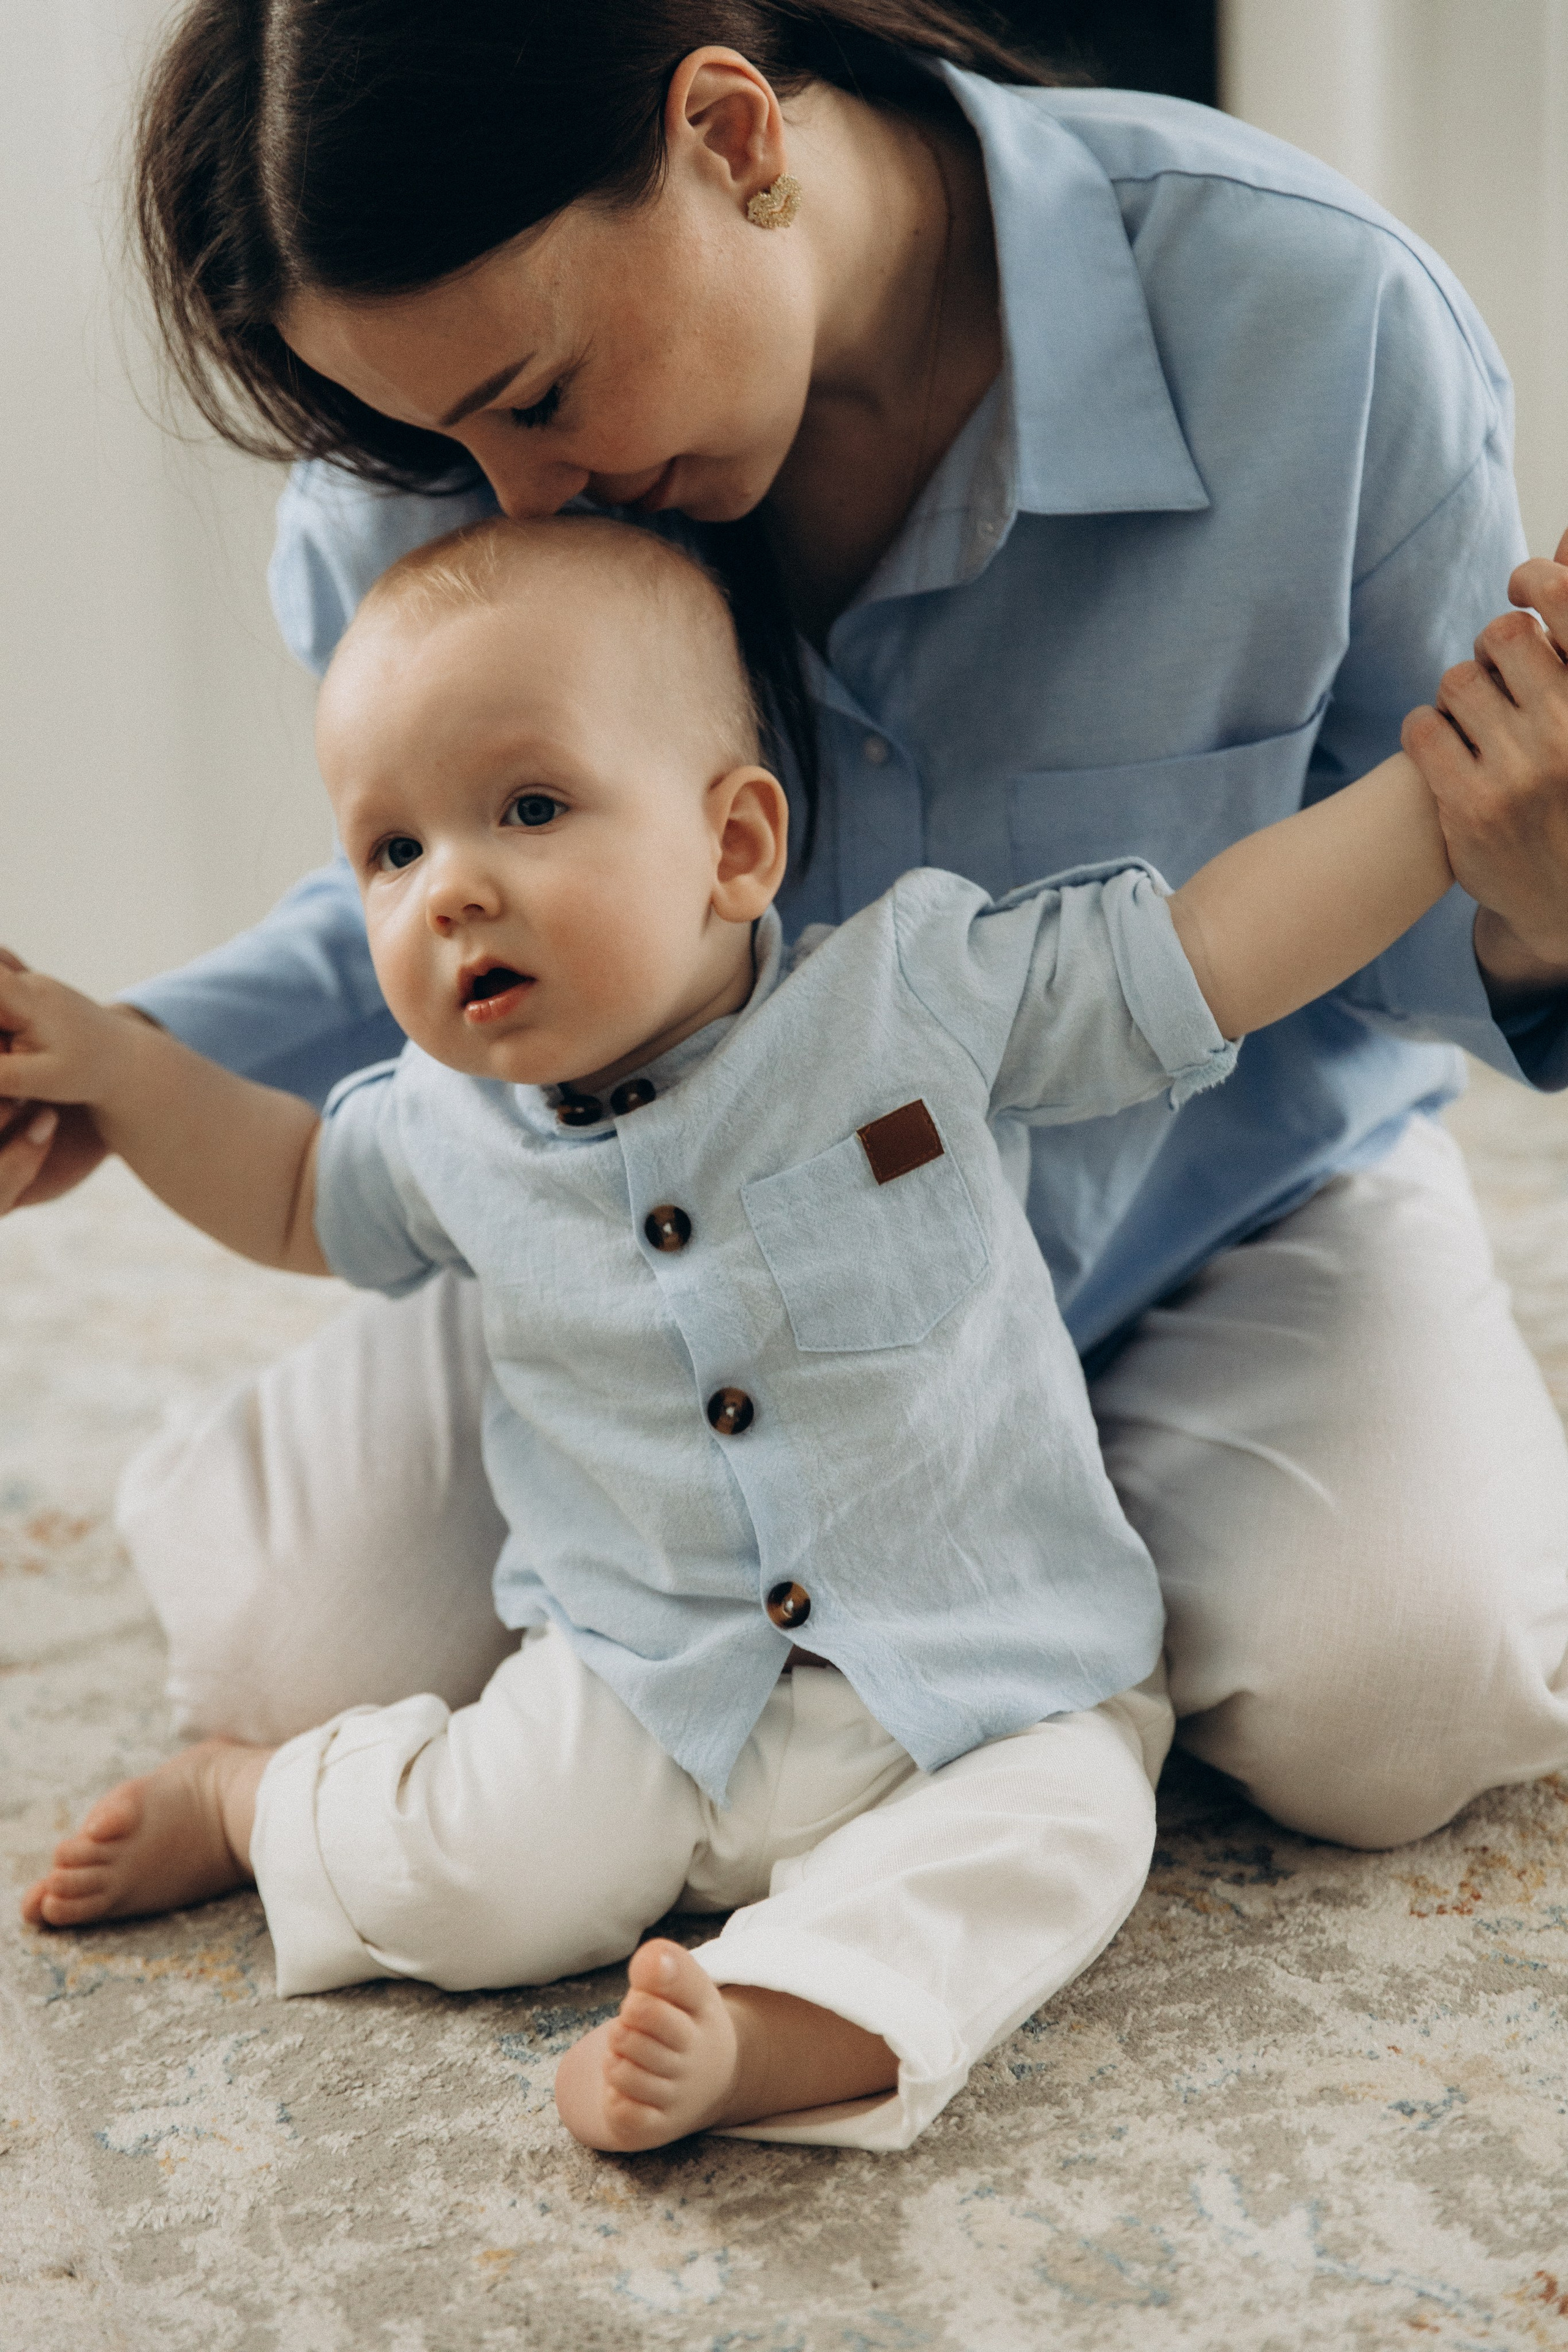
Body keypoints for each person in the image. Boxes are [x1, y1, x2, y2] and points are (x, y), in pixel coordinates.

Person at [7, 1, 1568, 1850]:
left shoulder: (1314, 320)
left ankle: (1023, 1555)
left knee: (1409, 1699)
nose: (515, 497)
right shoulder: (420, 463)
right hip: (645, 1223)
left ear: (731, 140)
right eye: (441, 436)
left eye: (538, 398)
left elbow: (1424, 862)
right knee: (291, 1654)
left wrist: (1542, 908)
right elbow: (457, 912)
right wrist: (112, 1058)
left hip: (1213, 1209)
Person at [12, 510, 1487, 2151]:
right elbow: (296, 1190)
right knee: (485, 1882)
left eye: (530, 808)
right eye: (393, 851)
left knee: (1068, 1828)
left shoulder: (910, 999)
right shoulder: (444, 1128)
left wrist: (1441, 797)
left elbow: (1206, 954)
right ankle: (263, 1808)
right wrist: (121, 1071)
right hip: (647, 1679)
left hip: (983, 1661)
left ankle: (782, 2023)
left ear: (734, 845)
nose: (453, 890)